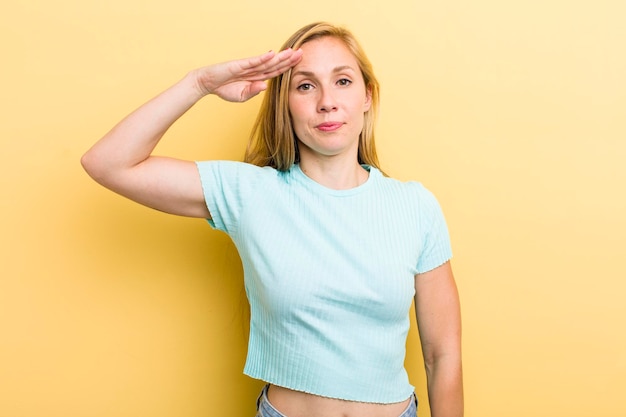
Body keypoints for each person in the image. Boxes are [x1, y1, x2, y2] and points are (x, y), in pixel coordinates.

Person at [82, 22, 463, 417]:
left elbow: (443, 355)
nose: (327, 101)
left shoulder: (415, 206)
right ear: (285, 103)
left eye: (343, 81)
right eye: (305, 86)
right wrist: (199, 84)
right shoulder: (250, 193)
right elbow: (108, 163)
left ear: (367, 96)